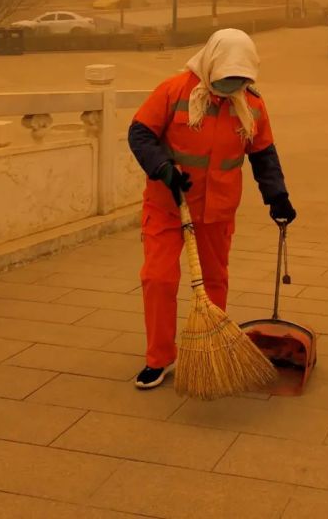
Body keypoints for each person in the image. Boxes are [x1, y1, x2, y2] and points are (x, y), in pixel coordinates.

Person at [127, 27, 297, 389]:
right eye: (226, 78)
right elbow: (139, 133)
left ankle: (208, 350)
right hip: (168, 205)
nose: (230, 85)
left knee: (215, 282)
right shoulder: (173, 91)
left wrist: (277, 197)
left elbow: (263, 154)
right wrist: (163, 169)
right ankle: (159, 358)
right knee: (158, 278)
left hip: (218, 210)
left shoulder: (250, 103)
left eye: (238, 78)